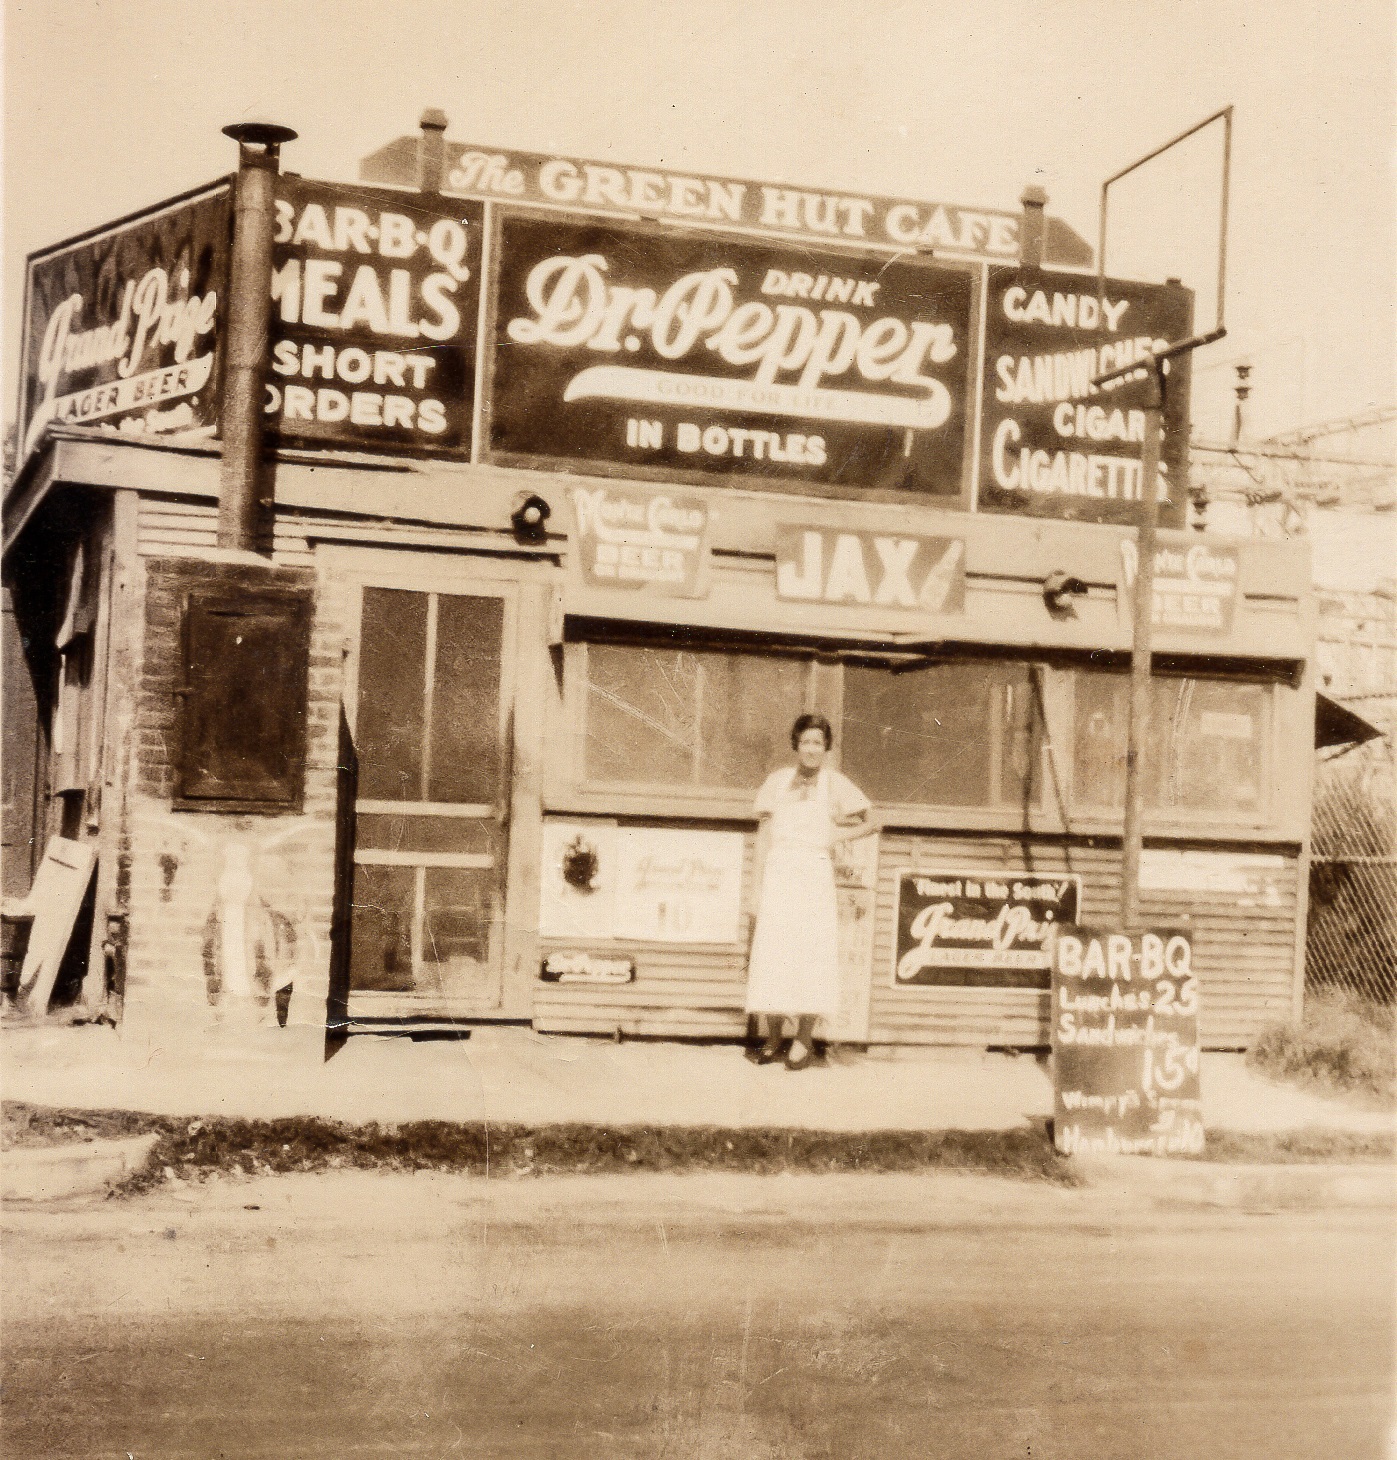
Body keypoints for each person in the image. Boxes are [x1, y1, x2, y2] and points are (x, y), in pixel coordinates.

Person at [746, 712, 872, 1070]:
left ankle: (803, 1038)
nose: (812, 749)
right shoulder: (776, 781)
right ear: (796, 745)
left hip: (814, 877)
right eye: (806, 742)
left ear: (826, 748)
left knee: (810, 954)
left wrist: (836, 836)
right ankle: (773, 1037)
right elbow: (764, 837)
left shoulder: (835, 784)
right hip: (778, 874)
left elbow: (872, 821)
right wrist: (755, 889)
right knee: (774, 953)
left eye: (818, 742)